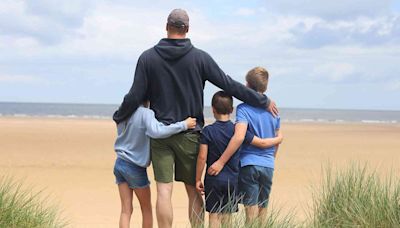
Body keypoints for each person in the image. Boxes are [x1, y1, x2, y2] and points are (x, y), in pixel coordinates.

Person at [113, 9, 278, 228]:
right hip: (190, 134)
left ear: (166, 26)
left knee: (164, 190)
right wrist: (261, 100)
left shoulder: (148, 58)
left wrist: (119, 116)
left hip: (161, 134)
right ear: (188, 29)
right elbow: (228, 84)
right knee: (193, 189)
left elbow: (135, 95)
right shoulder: (200, 58)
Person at [195, 91, 283, 228]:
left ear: (212, 109)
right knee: (228, 214)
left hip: (213, 178)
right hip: (233, 179)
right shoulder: (238, 131)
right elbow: (260, 142)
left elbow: (202, 157)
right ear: (231, 110)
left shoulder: (208, 131)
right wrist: (278, 139)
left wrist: (197, 178)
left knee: (214, 214)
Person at [113, 99, 196, 228]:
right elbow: (157, 131)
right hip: (135, 167)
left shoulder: (124, 112)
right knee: (146, 209)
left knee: (126, 210)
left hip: (119, 163)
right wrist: (183, 125)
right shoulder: (146, 113)